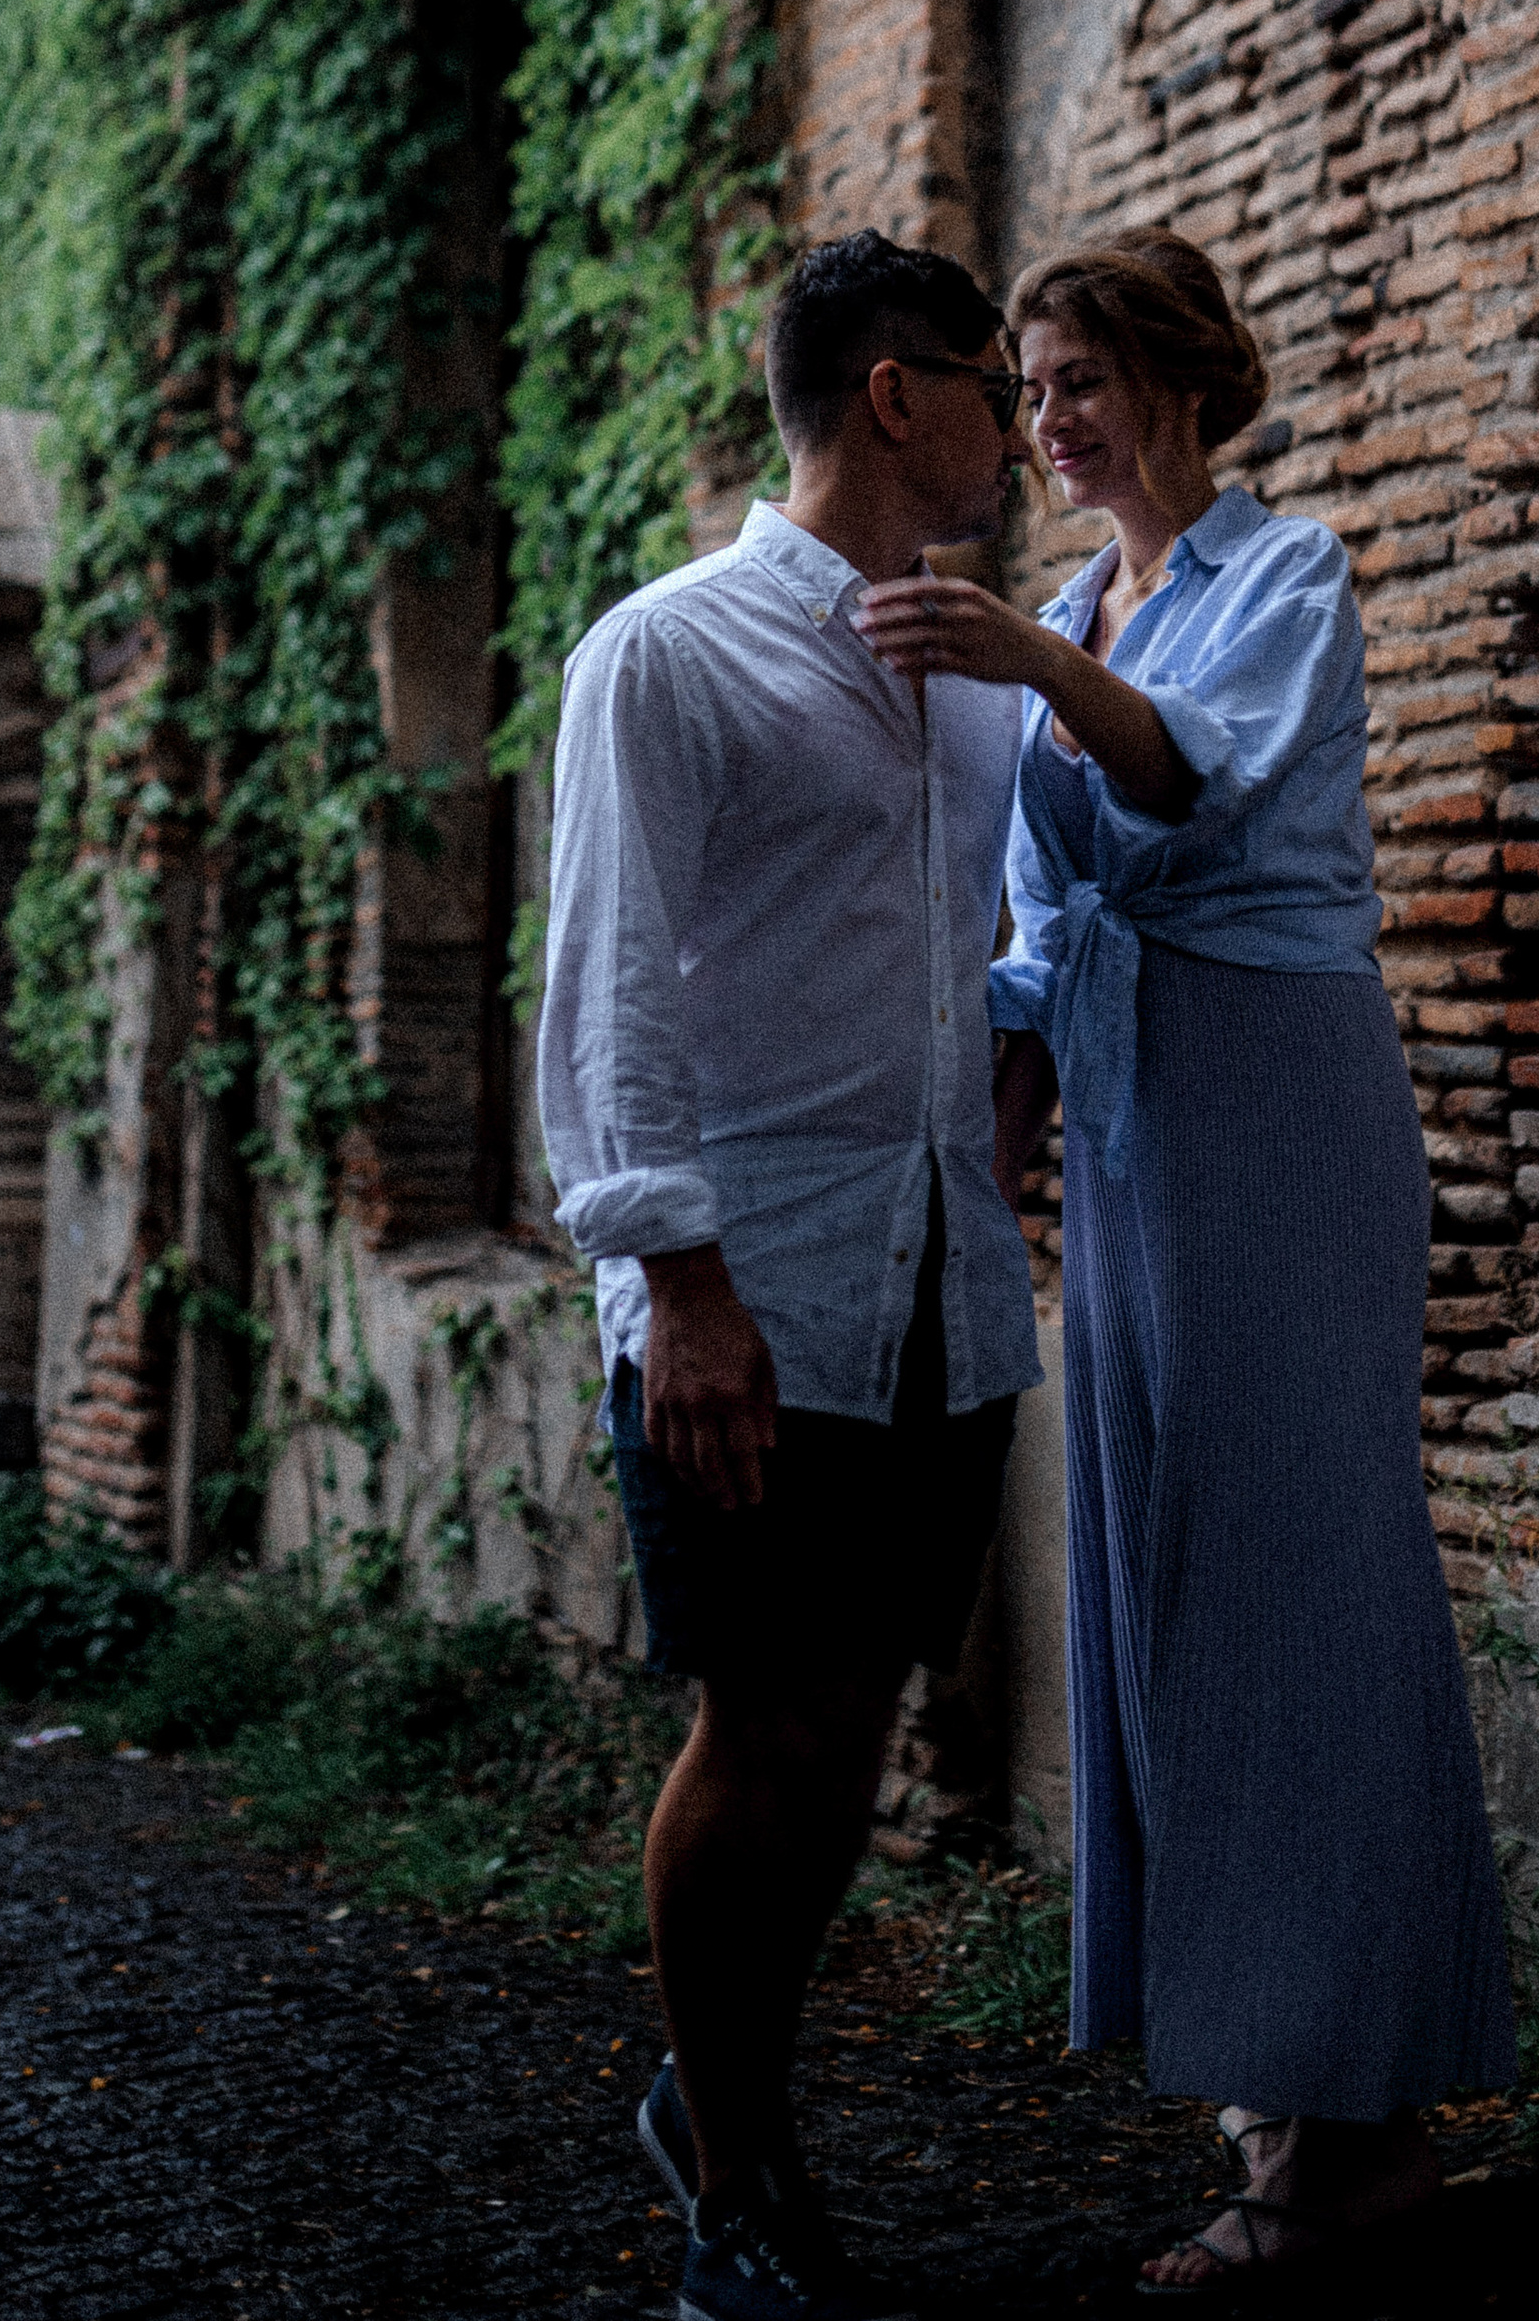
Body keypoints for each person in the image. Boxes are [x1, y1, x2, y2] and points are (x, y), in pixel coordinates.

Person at [850, 227, 1515, 2297]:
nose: (1045, 421)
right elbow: (1054, 908)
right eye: (1025, 387)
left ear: (1175, 376)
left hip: (1274, 1095)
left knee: (1300, 1565)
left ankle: (1360, 2129)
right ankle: (1267, 2089)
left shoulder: (1278, 572)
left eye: (1073, 380)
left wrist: (1039, 670)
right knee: (1160, 1562)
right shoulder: (1076, 601)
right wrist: (1016, 1072)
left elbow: (1183, 790)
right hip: (1136, 1110)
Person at [538, 229, 1044, 2321]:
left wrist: (1014, 1065)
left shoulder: (975, 671)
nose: (1022, 430)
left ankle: (718, 2101)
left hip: (946, 1272)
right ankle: (732, 2179)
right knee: (760, 1724)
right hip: (745, 1282)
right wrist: (683, 1285)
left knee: (851, 1725)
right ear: (891, 396)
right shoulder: (666, 653)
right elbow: (609, 992)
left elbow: (978, 946)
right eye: (994, 386)